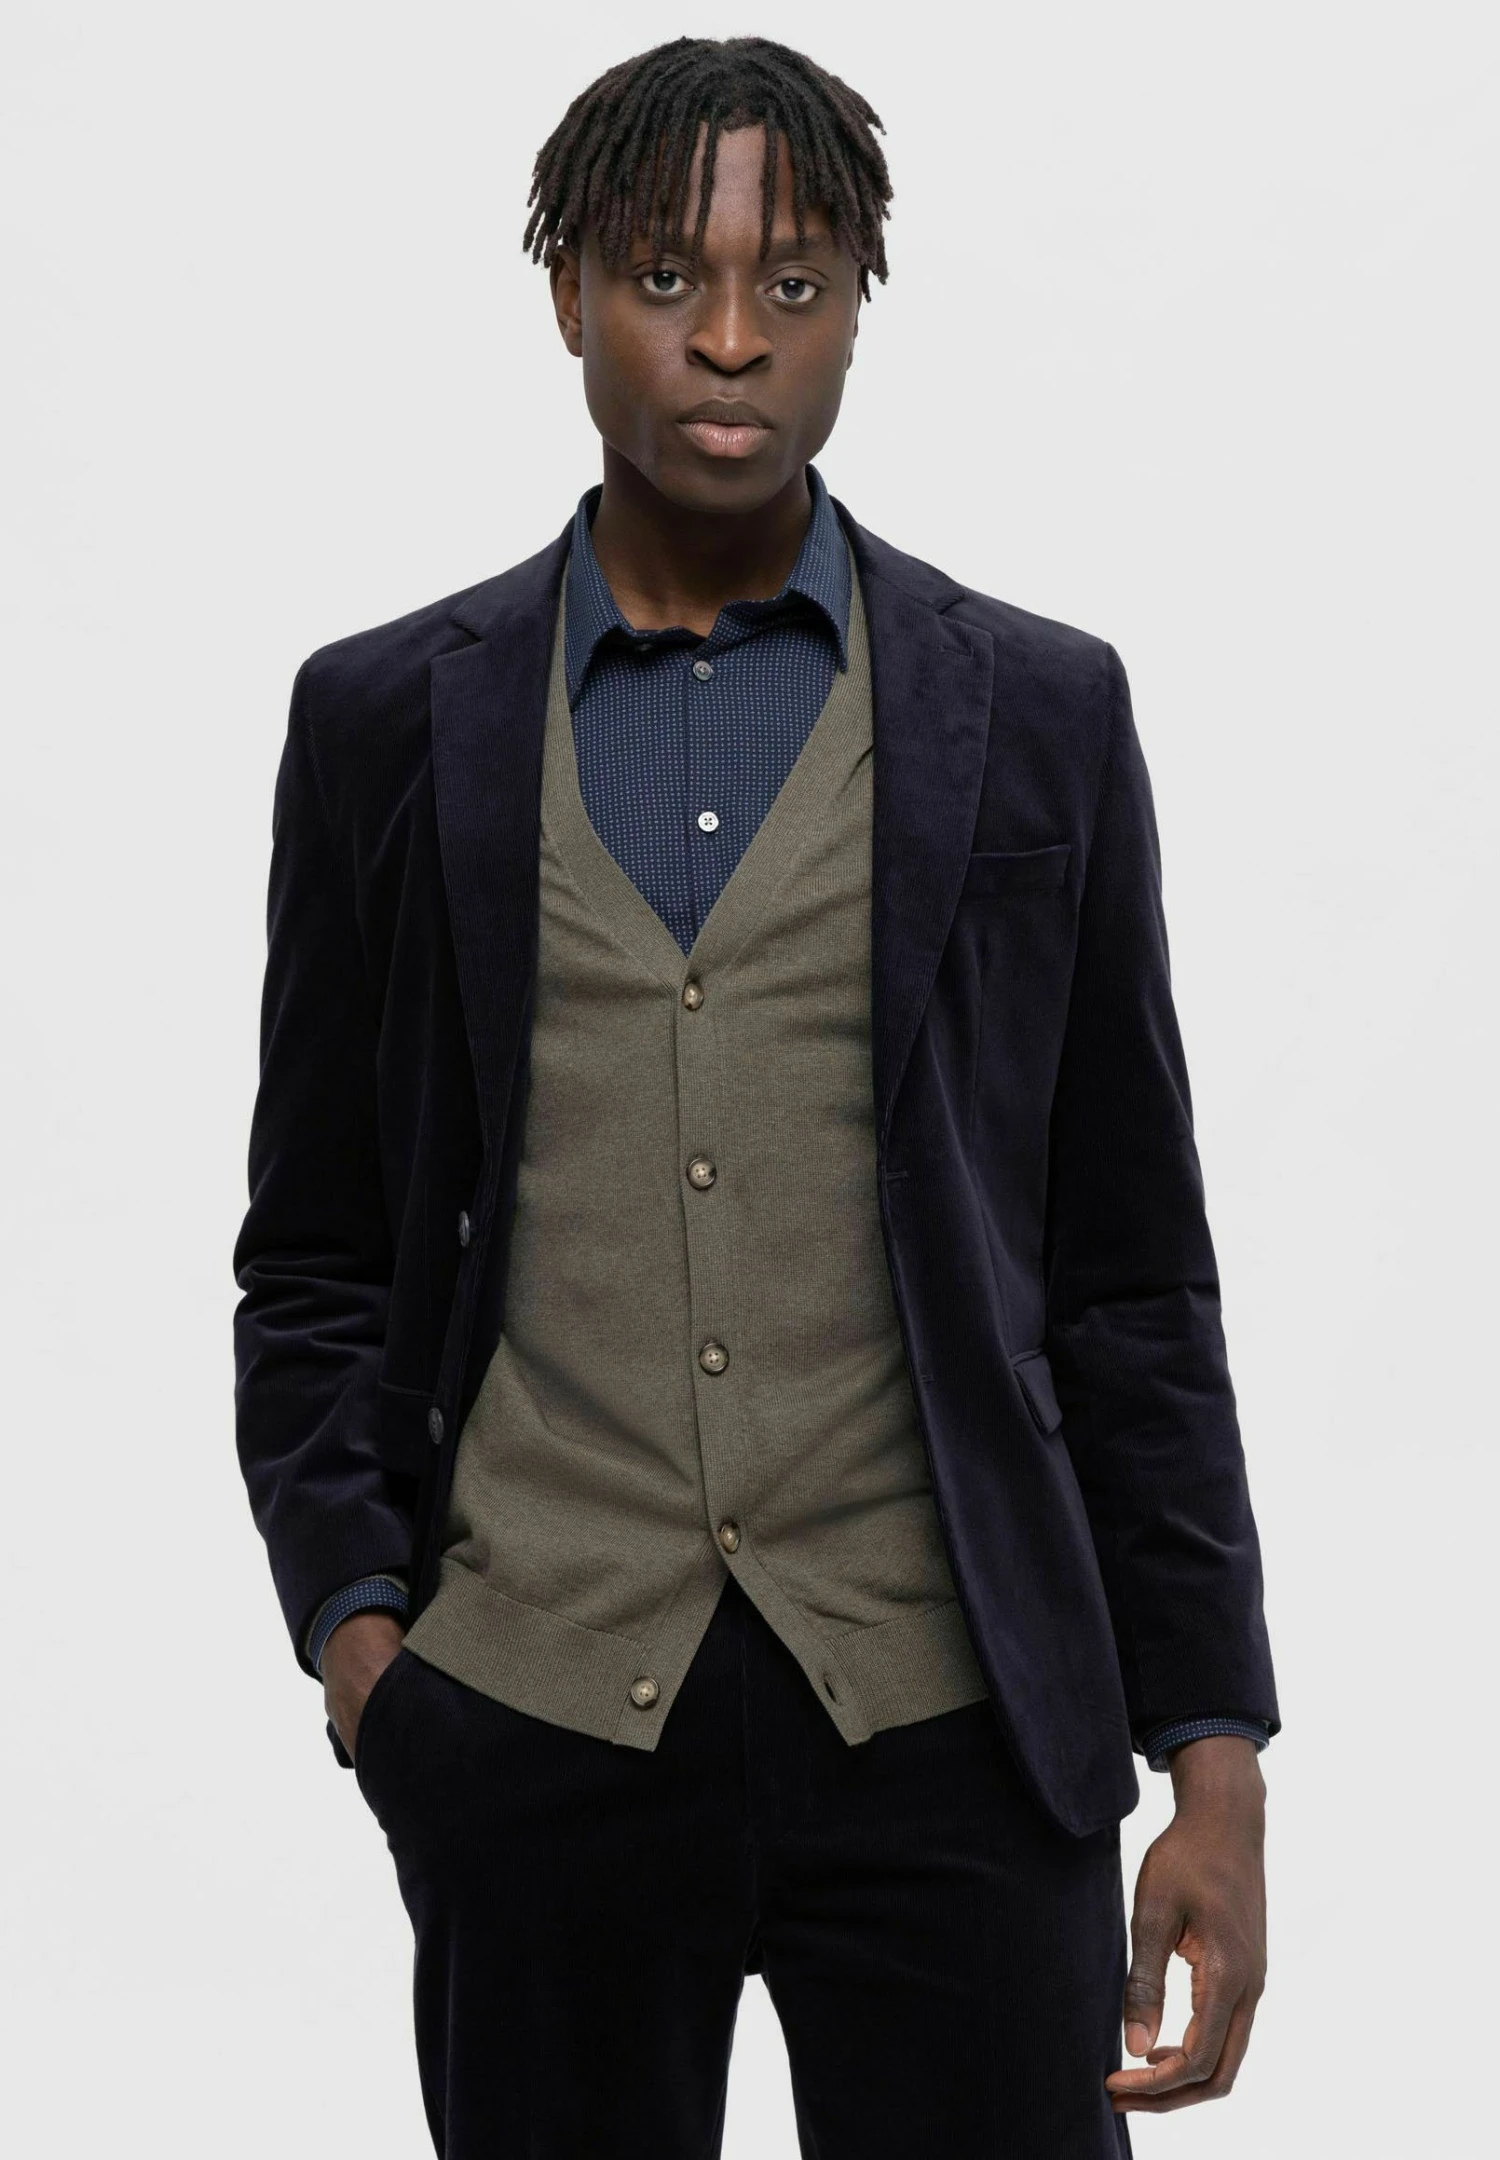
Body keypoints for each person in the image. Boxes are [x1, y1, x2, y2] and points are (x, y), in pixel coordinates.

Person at [232, 34, 1279, 2158]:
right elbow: (319, 1258)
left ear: (858, 305)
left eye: (793, 285)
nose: (730, 338)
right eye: (663, 276)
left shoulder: (1040, 712)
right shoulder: (382, 723)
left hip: (960, 1722)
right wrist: (366, 1654)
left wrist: (1216, 1754)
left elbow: (1131, 1278)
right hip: (532, 1720)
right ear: (566, 296)